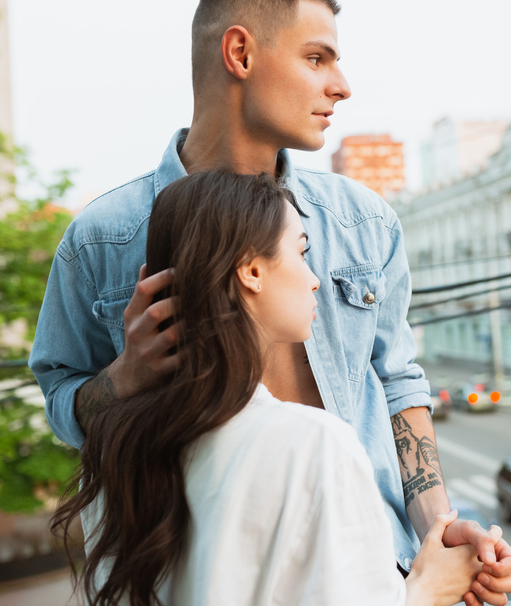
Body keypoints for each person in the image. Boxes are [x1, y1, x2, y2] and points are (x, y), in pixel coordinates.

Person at [30, 0, 511, 603]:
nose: (341, 85)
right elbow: (65, 406)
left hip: (377, 568)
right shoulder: (102, 239)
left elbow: (399, 380)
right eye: (318, 58)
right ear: (240, 52)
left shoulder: (363, 221)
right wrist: (124, 378)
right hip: (210, 578)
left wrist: (440, 527)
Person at [53, 169, 488, 606]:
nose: (314, 278)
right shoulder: (315, 442)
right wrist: (428, 588)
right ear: (251, 270)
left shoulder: (116, 449)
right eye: (301, 253)